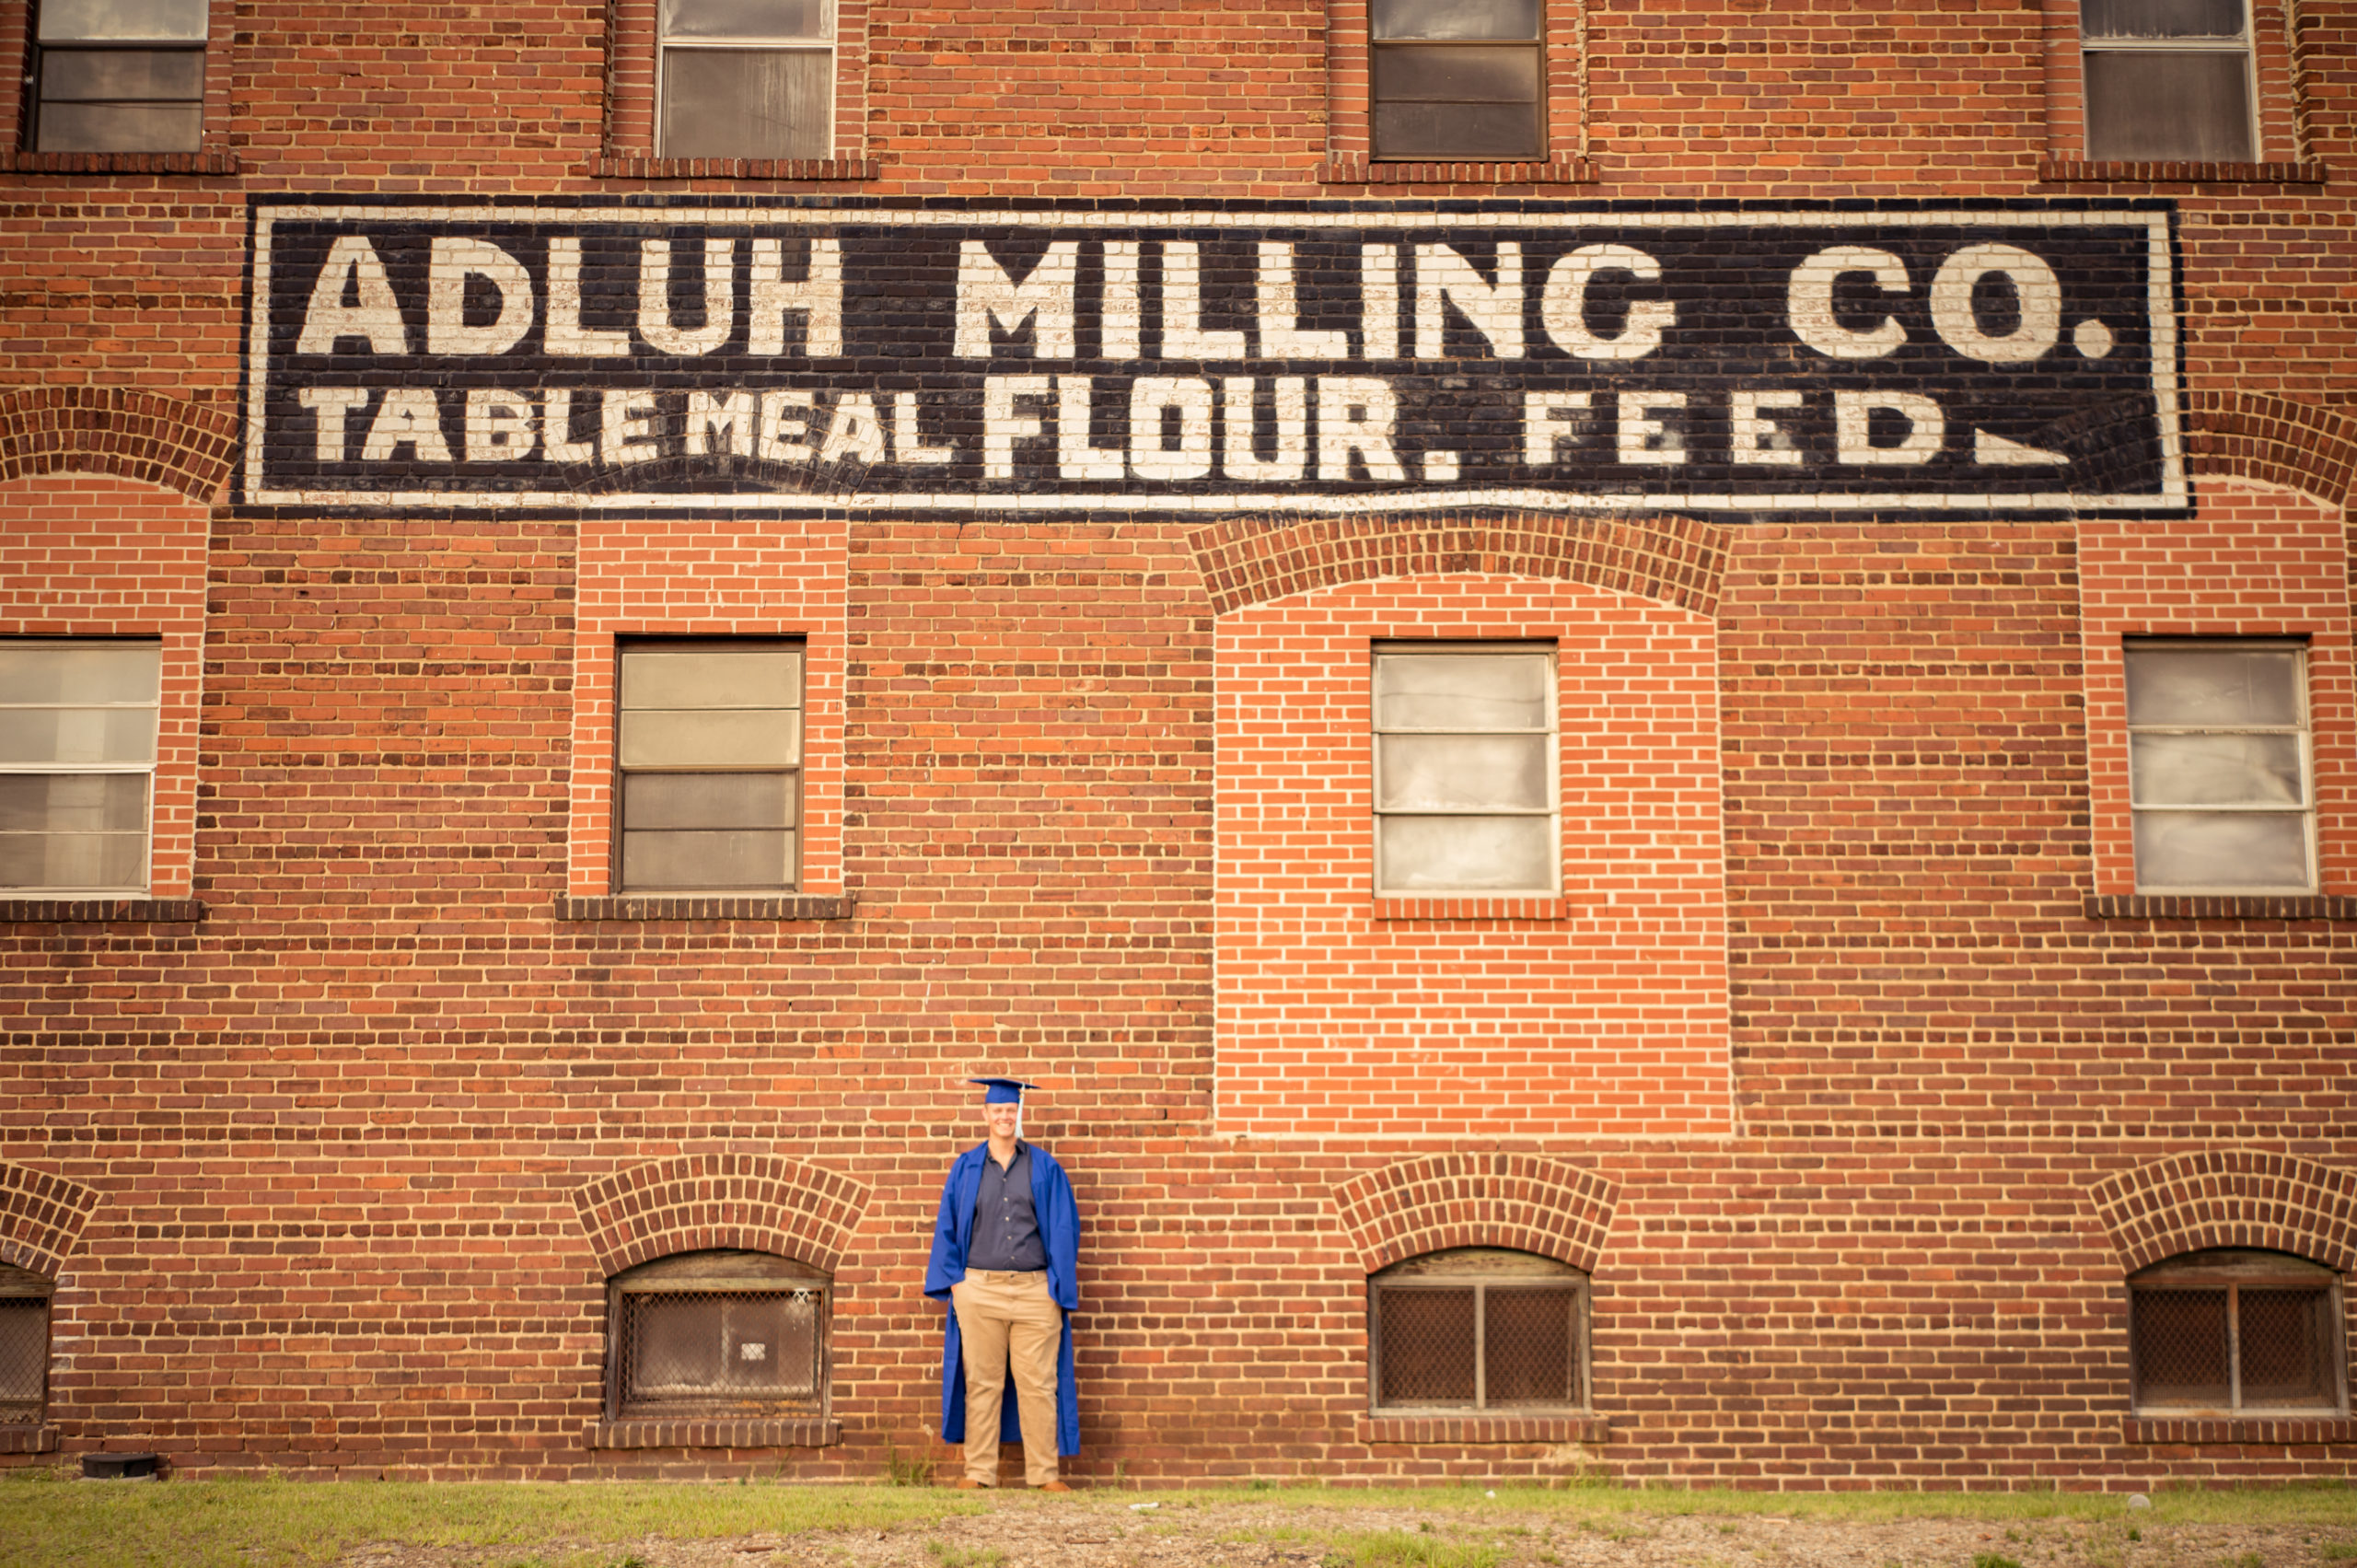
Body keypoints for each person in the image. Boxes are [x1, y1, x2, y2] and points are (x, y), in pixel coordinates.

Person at [923, 1075, 1082, 1491]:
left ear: (1018, 1113)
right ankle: (978, 1474)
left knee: (1039, 1385)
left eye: (1011, 1110)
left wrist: (1055, 1286)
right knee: (982, 1384)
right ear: (986, 1114)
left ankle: (1045, 1476)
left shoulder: (1045, 1167)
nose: (1004, 1117)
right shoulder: (966, 1168)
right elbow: (947, 1226)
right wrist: (957, 1285)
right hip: (980, 1290)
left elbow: (1065, 1228)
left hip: (1034, 1292)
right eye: (997, 1110)